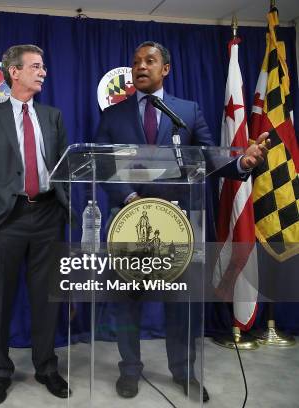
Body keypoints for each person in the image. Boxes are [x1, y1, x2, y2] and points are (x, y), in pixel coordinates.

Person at [95, 41, 269, 402]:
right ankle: (129, 370)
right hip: (130, 223)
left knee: (180, 304)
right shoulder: (113, 116)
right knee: (127, 302)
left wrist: (244, 163)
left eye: (149, 61)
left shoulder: (186, 112)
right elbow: (103, 166)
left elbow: (209, 157)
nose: (140, 66)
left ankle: (183, 371)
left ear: (165, 69)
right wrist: (129, 199)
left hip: (179, 227)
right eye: (136, 62)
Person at [0, 44, 70, 404]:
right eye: (36, 67)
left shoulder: (53, 116)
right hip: (6, 218)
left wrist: (64, 206)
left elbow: (63, 168)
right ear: (15, 72)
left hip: (47, 216)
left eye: (43, 67)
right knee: (1, 298)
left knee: (47, 298)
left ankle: (47, 367)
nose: (43, 72)